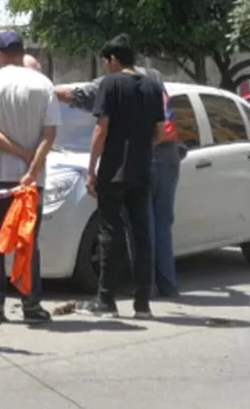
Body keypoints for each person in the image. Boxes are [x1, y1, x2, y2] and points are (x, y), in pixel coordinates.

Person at [0, 31, 59, 325]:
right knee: (28, 241)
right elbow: (50, 135)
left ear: (0, 54)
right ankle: (31, 305)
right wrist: (32, 165)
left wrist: (19, 153)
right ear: (23, 51)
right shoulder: (43, 84)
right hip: (32, 179)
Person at [84, 35, 166, 319]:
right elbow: (159, 133)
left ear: (114, 60)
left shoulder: (110, 84)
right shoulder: (153, 86)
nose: (106, 67)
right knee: (142, 234)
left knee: (109, 232)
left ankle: (106, 300)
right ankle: (143, 303)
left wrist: (91, 168)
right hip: (142, 170)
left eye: (106, 62)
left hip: (113, 170)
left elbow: (100, 129)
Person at [151, 86, 184, 298]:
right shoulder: (162, 93)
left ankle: (147, 286)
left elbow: (160, 131)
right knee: (162, 224)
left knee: (145, 223)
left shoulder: (147, 92)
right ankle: (168, 284)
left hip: (153, 155)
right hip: (170, 156)